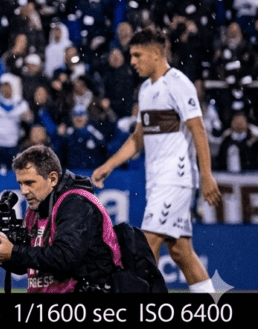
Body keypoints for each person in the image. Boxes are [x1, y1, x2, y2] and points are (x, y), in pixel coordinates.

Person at [92, 27, 221, 293]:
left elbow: (198, 129)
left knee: (147, 244)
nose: (133, 62)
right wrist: (109, 165)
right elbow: (138, 138)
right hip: (158, 180)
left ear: (155, 54)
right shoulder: (146, 90)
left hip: (176, 177)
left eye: (138, 55)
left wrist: (206, 175)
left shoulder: (178, 83)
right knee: (181, 252)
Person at [0, 145, 121, 292]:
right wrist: (3, 253)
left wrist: (14, 252)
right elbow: (31, 266)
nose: (23, 191)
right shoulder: (34, 210)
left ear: (53, 178)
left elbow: (65, 257)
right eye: (21, 183)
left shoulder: (76, 202)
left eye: (29, 183)